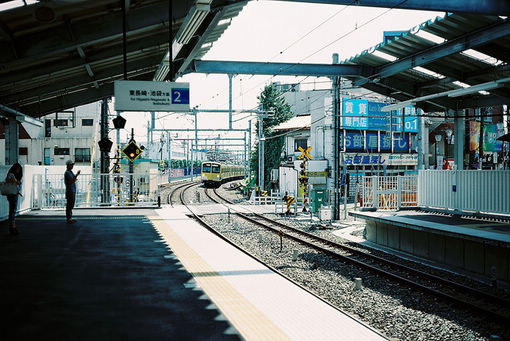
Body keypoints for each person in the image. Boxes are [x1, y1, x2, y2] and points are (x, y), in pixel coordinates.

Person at [5, 163, 22, 235]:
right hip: (13, 194)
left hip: (12, 193)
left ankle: (12, 227)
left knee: (12, 210)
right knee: (12, 210)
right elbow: (16, 182)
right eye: (18, 169)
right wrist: (18, 182)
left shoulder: (9, 174)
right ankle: (12, 227)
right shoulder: (12, 175)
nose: (18, 171)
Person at [64, 159, 81, 224]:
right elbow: (72, 181)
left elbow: (73, 179)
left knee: (71, 204)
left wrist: (75, 176)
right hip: (70, 191)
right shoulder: (67, 173)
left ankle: (70, 218)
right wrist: (77, 175)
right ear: (68, 165)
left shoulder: (70, 172)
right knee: (69, 205)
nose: (72, 166)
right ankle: (69, 218)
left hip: (72, 190)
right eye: (71, 165)